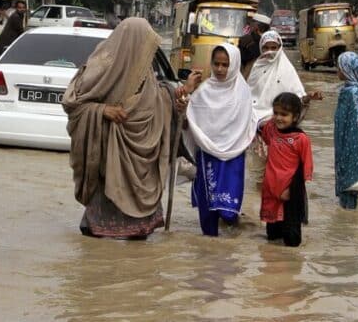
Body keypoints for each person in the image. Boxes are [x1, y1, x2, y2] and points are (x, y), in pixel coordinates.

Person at [63, 18, 200, 239]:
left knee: (137, 247)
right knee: (97, 244)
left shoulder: (145, 73)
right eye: (146, 45)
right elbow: (73, 104)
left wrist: (181, 98)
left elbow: (157, 102)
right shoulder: (101, 69)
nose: (149, 51)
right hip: (109, 161)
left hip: (143, 166)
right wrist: (102, 110)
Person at [185, 43, 257, 236]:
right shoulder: (203, 91)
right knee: (208, 210)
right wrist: (188, 92)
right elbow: (189, 118)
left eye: (225, 65)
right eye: (216, 64)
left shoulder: (243, 93)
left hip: (234, 153)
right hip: (207, 153)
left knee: (228, 210)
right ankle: (210, 247)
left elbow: (249, 121)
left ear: (233, 65)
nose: (219, 69)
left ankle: (227, 248)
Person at [246, 31, 322, 185]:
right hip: (258, 132)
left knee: (280, 175)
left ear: (280, 47)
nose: (270, 52)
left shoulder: (287, 70)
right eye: (266, 48)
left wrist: (308, 97)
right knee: (258, 176)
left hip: (280, 134)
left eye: (274, 47)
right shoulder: (256, 69)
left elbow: (297, 100)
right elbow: (248, 98)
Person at [259, 93, 313, 247]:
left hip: (291, 190)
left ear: (295, 117)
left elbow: (305, 166)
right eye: (275, 113)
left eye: (284, 114)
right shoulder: (272, 131)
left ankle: (292, 267)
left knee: (292, 240)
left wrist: (290, 189)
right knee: (273, 236)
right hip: (271, 187)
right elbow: (260, 127)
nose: (278, 118)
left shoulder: (301, 139)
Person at [334, 52, 358, 210]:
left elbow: (345, 123)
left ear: (347, 69)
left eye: (340, 67)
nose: (337, 70)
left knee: (348, 187)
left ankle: (346, 223)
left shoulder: (349, 92)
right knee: (353, 185)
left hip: (348, 145)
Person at [239, 12, 271, 79]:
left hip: (249, 74)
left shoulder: (247, 39)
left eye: (252, 23)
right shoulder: (271, 40)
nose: (250, 25)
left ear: (256, 26)